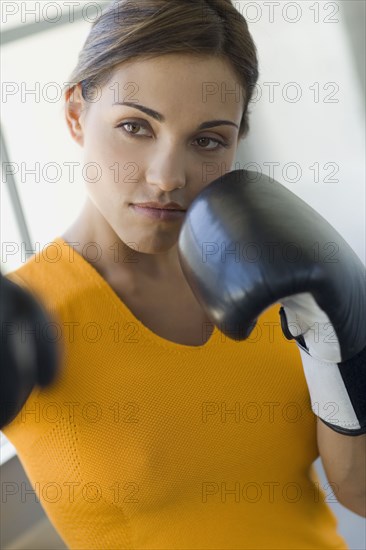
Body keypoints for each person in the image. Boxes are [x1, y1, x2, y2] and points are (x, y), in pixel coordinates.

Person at [2, 0, 361, 548]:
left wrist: (338, 351)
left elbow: (357, 489)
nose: (168, 176)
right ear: (76, 114)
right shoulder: (26, 315)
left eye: (208, 140)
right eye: (135, 126)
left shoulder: (282, 280)